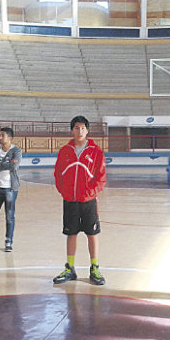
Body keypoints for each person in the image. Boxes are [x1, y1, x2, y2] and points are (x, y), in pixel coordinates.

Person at [52, 116, 107, 286]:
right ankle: (70, 268)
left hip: (88, 201)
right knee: (71, 233)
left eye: (83, 128)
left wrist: (90, 193)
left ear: (87, 130)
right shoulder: (64, 151)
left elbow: (101, 178)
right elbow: (58, 174)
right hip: (70, 200)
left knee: (92, 234)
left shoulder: (96, 152)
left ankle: (94, 268)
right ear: (72, 130)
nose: (80, 131)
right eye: (77, 128)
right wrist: (65, 192)